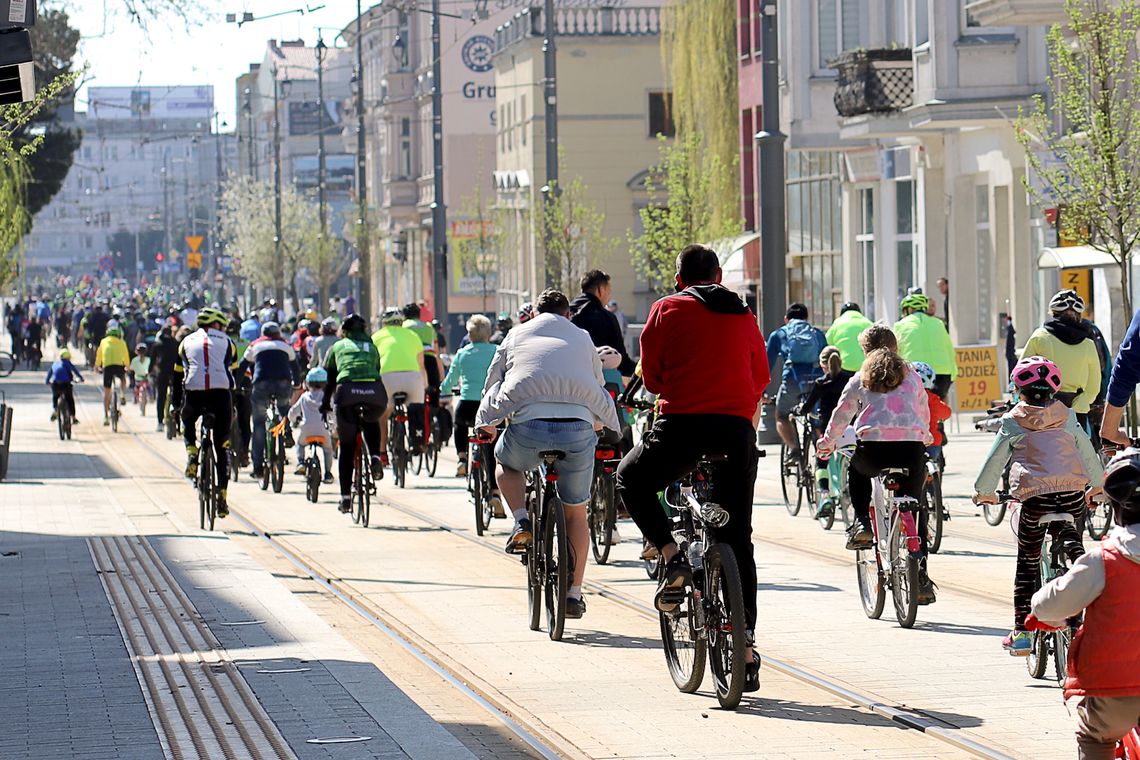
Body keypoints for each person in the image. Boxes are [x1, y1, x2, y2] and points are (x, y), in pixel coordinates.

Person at [615, 244, 766, 688]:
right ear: (719, 274)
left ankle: (671, 555)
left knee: (631, 478)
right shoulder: (744, 313)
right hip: (736, 433)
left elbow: (655, 378)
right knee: (738, 537)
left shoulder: (666, 309)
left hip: (681, 427)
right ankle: (747, 646)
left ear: (679, 279)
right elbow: (760, 376)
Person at [476, 289, 620, 620]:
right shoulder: (582, 337)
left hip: (528, 426)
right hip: (578, 428)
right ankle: (573, 594)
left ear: (535, 314)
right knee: (575, 514)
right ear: (567, 314)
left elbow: (493, 382)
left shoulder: (515, 334)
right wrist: (600, 423)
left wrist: (488, 423)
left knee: (506, 463)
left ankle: (521, 520)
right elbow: (596, 383)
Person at [974, 355, 1102, 654]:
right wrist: (1097, 485)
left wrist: (984, 492)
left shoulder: (1012, 421)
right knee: (1070, 530)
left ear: (1019, 391)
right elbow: (1087, 451)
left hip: (1034, 498)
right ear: (1055, 390)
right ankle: (1075, 555)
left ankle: (1022, 632)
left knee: (1028, 563)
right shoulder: (1068, 416)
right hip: (1072, 492)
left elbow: (995, 462)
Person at [1030, 448, 1140, 760]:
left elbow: (1049, 607)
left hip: (1116, 695)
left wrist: (1037, 613)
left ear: (1116, 508)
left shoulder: (1103, 561)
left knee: (1093, 735)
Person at [817, 324, 936, 602]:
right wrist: (926, 435)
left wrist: (828, 443)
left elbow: (842, 414)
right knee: (916, 507)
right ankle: (921, 577)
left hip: (873, 451)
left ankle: (861, 523)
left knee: (857, 471)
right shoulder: (913, 377)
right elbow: (923, 410)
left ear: (865, 351)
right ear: (895, 348)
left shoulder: (860, 377)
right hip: (911, 451)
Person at [172, 308, 237, 515]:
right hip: (220, 395)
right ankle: (223, 497)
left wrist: (175, 404)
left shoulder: (185, 342)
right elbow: (232, 372)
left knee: (188, 419)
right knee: (222, 446)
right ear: (217, 324)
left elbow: (176, 376)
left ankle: (192, 452)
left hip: (194, 393)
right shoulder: (228, 342)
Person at [321, 313, 387, 512]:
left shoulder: (337, 347)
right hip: (375, 393)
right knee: (371, 420)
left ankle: (345, 497)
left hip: (347, 393)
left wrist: (325, 404)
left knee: (347, 447)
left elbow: (330, 378)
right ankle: (375, 457)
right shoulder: (372, 347)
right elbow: (376, 369)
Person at [1021, 289, 1101, 431]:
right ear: (1079, 315)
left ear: (1053, 313)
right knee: (1079, 450)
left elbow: (1021, 373)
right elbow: (1094, 386)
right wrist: (1081, 403)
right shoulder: (1088, 344)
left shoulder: (1040, 337)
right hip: (1076, 410)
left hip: (1042, 407)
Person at [795, 346, 853, 519]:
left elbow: (808, 407)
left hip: (828, 430)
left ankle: (825, 495)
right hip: (849, 428)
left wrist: (799, 410)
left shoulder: (821, 383)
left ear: (823, 365)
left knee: (821, 461)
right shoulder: (850, 379)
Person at [240, 322, 300, 479]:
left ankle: (258, 467)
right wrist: (298, 383)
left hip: (261, 384)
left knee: (259, 423)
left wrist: (237, 384)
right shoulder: (286, 345)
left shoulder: (255, 345)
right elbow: (295, 366)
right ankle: (286, 431)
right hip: (283, 383)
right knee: (283, 407)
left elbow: (242, 365)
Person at [441, 314, 497, 482]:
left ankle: (462, 458)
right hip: (490, 406)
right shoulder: (496, 351)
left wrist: (443, 389)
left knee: (459, 423)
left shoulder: (462, 354)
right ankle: (495, 491)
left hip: (467, 405)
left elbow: (450, 380)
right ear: (489, 334)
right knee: (493, 441)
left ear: (469, 335)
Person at [766, 303, 827, 454]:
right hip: (816, 382)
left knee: (781, 415)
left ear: (786, 319)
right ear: (807, 318)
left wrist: (762, 392)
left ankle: (794, 449)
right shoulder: (817, 334)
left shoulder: (779, 334)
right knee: (817, 417)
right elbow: (826, 362)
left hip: (793, 380)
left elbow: (766, 366)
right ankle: (821, 452)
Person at [372, 308, 427, 460]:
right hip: (412, 377)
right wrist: (425, 386)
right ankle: (417, 441)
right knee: (416, 410)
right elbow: (421, 365)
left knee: (382, 416)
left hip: (387, 377)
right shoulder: (413, 336)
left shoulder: (376, 337)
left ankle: (382, 453)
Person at [570, 269, 637, 376]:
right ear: (600, 290)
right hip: (599, 381)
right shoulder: (607, 317)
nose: (609, 297)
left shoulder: (566, 313)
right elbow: (621, 361)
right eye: (609, 292)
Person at [893, 293, 957, 400]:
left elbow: (895, 353)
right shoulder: (938, 323)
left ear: (908, 310)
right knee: (939, 407)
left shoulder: (900, 325)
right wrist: (953, 374)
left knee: (915, 408)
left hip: (916, 373)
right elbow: (949, 349)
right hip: (942, 373)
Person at [289, 367, 335, 483]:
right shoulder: (328, 398)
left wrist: (293, 421)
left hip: (306, 430)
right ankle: (328, 473)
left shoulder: (304, 397)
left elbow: (293, 412)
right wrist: (334, 426)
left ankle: (300, 462)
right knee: (328, 450)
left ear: (308, 383)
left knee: (299, 444)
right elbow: (334, 413)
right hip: (323, 430)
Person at [912, 361, 951, 464]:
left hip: (910, 441)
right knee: (933, 460)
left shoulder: (904, 397)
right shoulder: (932, 399)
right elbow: (947, 413)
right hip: (932, 443)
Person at [94, 325, 130, 425]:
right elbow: (126, 355)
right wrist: (127, 366)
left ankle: (105, 416)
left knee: (107, 393)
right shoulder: (122, 342)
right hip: (119, 366)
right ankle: (122, 394)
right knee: (123, 379)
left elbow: (99, 355)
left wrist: (97, 366)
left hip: (107, 367)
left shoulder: (103, 341)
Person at [825, 302, 873, 373]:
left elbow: (828, 341)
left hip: (843, 365)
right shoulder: (867, 323)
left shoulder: (837, 323)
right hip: (865, 366)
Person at [153, 325, 179, 432]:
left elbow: (152, 361)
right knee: (177, 396)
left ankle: (160, 422)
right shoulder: (176, 344)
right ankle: (178, 423)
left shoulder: (157, 344)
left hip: (162, 373)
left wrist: (149, 371)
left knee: (161, 397)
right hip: (175, 373)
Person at [45, 349, 83, 422]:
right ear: (68, 357)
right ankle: (73, 417)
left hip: (56, 384)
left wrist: (47, 382)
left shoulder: (55, 363)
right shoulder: (67, 363)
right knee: (70, 399)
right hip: (66, 384)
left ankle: (55, 409)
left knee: (55, 396)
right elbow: (75, 370)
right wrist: (81, 378)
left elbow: (49, 374)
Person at [129, 343, 151, 407]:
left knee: (135, 388)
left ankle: (135, 398)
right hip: (145, 378)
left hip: (137, 379)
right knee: (149, 387)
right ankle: (151, 396)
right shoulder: (148, 360)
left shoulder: (134, 360)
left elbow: (131, 369)